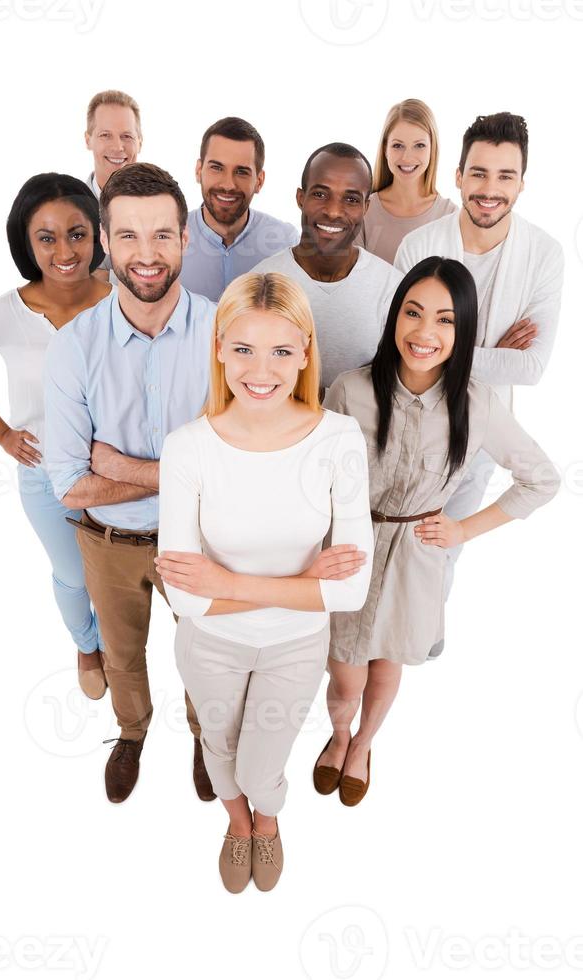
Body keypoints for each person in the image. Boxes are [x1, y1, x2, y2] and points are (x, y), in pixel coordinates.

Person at [313, 257, 560, 806]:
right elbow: (315, 478)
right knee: (344, 678)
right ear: (394, 317)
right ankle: (338, 735)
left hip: (418, 558)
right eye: (413, 313)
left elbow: (541, 479)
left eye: (445, 320)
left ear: (463, 330)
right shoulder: (350, 390)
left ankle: (363, 747)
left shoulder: (476, 404)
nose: (425, 333)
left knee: (386, 668)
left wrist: (464, 531)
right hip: (352, 552)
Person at [155, 272, 373, 892]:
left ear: (305, 353)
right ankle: (238, 824)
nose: (262, 370)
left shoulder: (338, 439)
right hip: (209, 645)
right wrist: (304, 582)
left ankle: (268, 822)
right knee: (218, 749)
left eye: (281, 351)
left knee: (261, 761)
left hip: (294, 646)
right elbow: (185, 596)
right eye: (244, 348)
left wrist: (225, 580)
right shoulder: (187, 448)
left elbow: (350, 593)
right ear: (219, 348)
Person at [43, 163, 217, 805]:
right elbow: (69, 485)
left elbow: (236, 468)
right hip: (107, 542)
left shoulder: (224, 334)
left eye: (163, 236)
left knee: (206, 649)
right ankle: (131, 732)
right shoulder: (73, 348)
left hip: (196, 537)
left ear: (185, 239)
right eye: (129, 237)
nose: (147, 256)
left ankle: (209, 737)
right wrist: (177, 475)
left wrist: (119, 468)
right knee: (121, 653)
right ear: (105, 243)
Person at [0, 174, 111, 699]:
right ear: (27, 243)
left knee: (116, 575)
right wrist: (3, 435)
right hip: (45, 477)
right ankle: (87, 646)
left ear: (99, 236)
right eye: (48, 237)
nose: (65, 251)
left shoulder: (123, 297)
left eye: (78, 234)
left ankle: (124, 653)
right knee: (75, 576)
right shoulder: (2, 314)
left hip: (119, 472)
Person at [395, 112, 564, 628]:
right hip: (408, 422)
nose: (490, 190)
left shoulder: (543, 254)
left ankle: (421, 636)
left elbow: (531, 367)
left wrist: (441, 347)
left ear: (522, 183)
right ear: (459, 177)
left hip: (478, 431)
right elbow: (398, 347)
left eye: (505, 176)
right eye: (479, 174)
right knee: (395, 539)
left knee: (443, 547)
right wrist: (487, 351)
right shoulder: (420, 247)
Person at [251, 142, 403, 394]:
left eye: (351, 199)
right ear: (301, 198)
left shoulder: (392, 288)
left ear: (366, 207)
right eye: (320, 194)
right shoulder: (260, 283)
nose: (333, 211)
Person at [180, 116, 298, 302]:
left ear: (259, 181)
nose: (228, 184)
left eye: (241, 172)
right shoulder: (166, 238)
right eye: (217, 168)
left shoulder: (286, 243)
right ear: (198, 171)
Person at [354, 98, 456, 264]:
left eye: (419, 145)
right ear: (385, 149)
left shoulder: (449, 214)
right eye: (398, 146)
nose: (407, 157)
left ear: (432, 148)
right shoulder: (364, 211)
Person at [84, 89, 143, 274]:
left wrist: (105, 278)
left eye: (127, 136)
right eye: (105, 135)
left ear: (139, 142)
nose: (118, 147)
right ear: (88, 140)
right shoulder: (67, 209)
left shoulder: (165, 206)